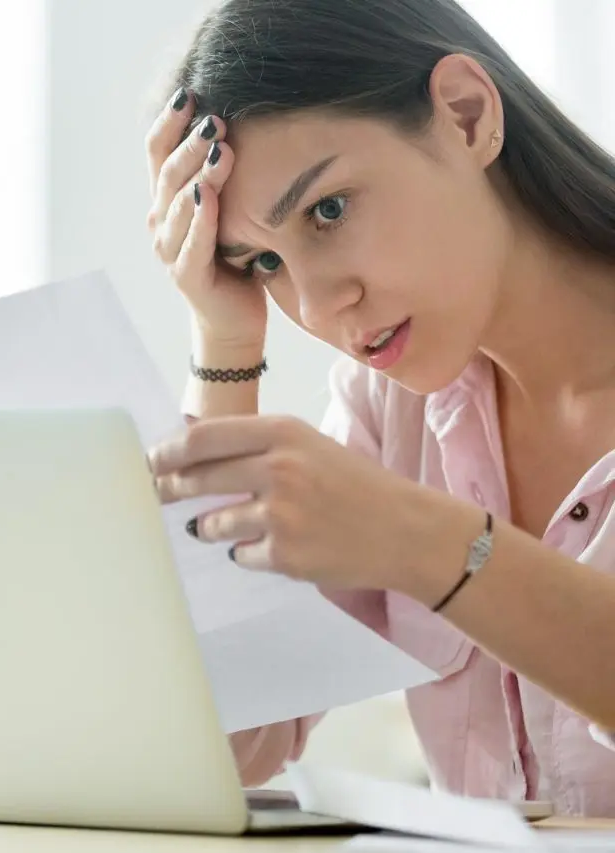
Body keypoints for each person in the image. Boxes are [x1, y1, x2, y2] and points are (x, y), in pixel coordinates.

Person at [145, 0, 615, 816]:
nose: (321, 306)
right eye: (262, 261)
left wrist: (423, 542)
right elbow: (228, 744)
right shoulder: (387, 405)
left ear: (466, 116)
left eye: (328, 209)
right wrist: (224, 343)